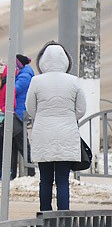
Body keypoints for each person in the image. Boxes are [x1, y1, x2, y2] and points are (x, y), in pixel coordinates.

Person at [26, 42, 86, 211]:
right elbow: (81, 109)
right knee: (62, 180)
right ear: (65, 60)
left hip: (43, 134)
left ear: (43, 61)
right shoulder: (74, 81)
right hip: (67, 134)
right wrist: (67, 118)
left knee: (45, 180)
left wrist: (43, 117)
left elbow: (31, 108)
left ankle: (45, 213)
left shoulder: (36, 81)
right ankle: (63, 216)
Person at [14, 54, 35, 176]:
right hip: (19, 111)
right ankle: (27, 169)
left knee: (22, 143)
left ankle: (30, 169)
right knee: (20, 142)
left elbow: (15, 89)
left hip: (20, 112)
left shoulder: (25, 75)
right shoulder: (23, 73)